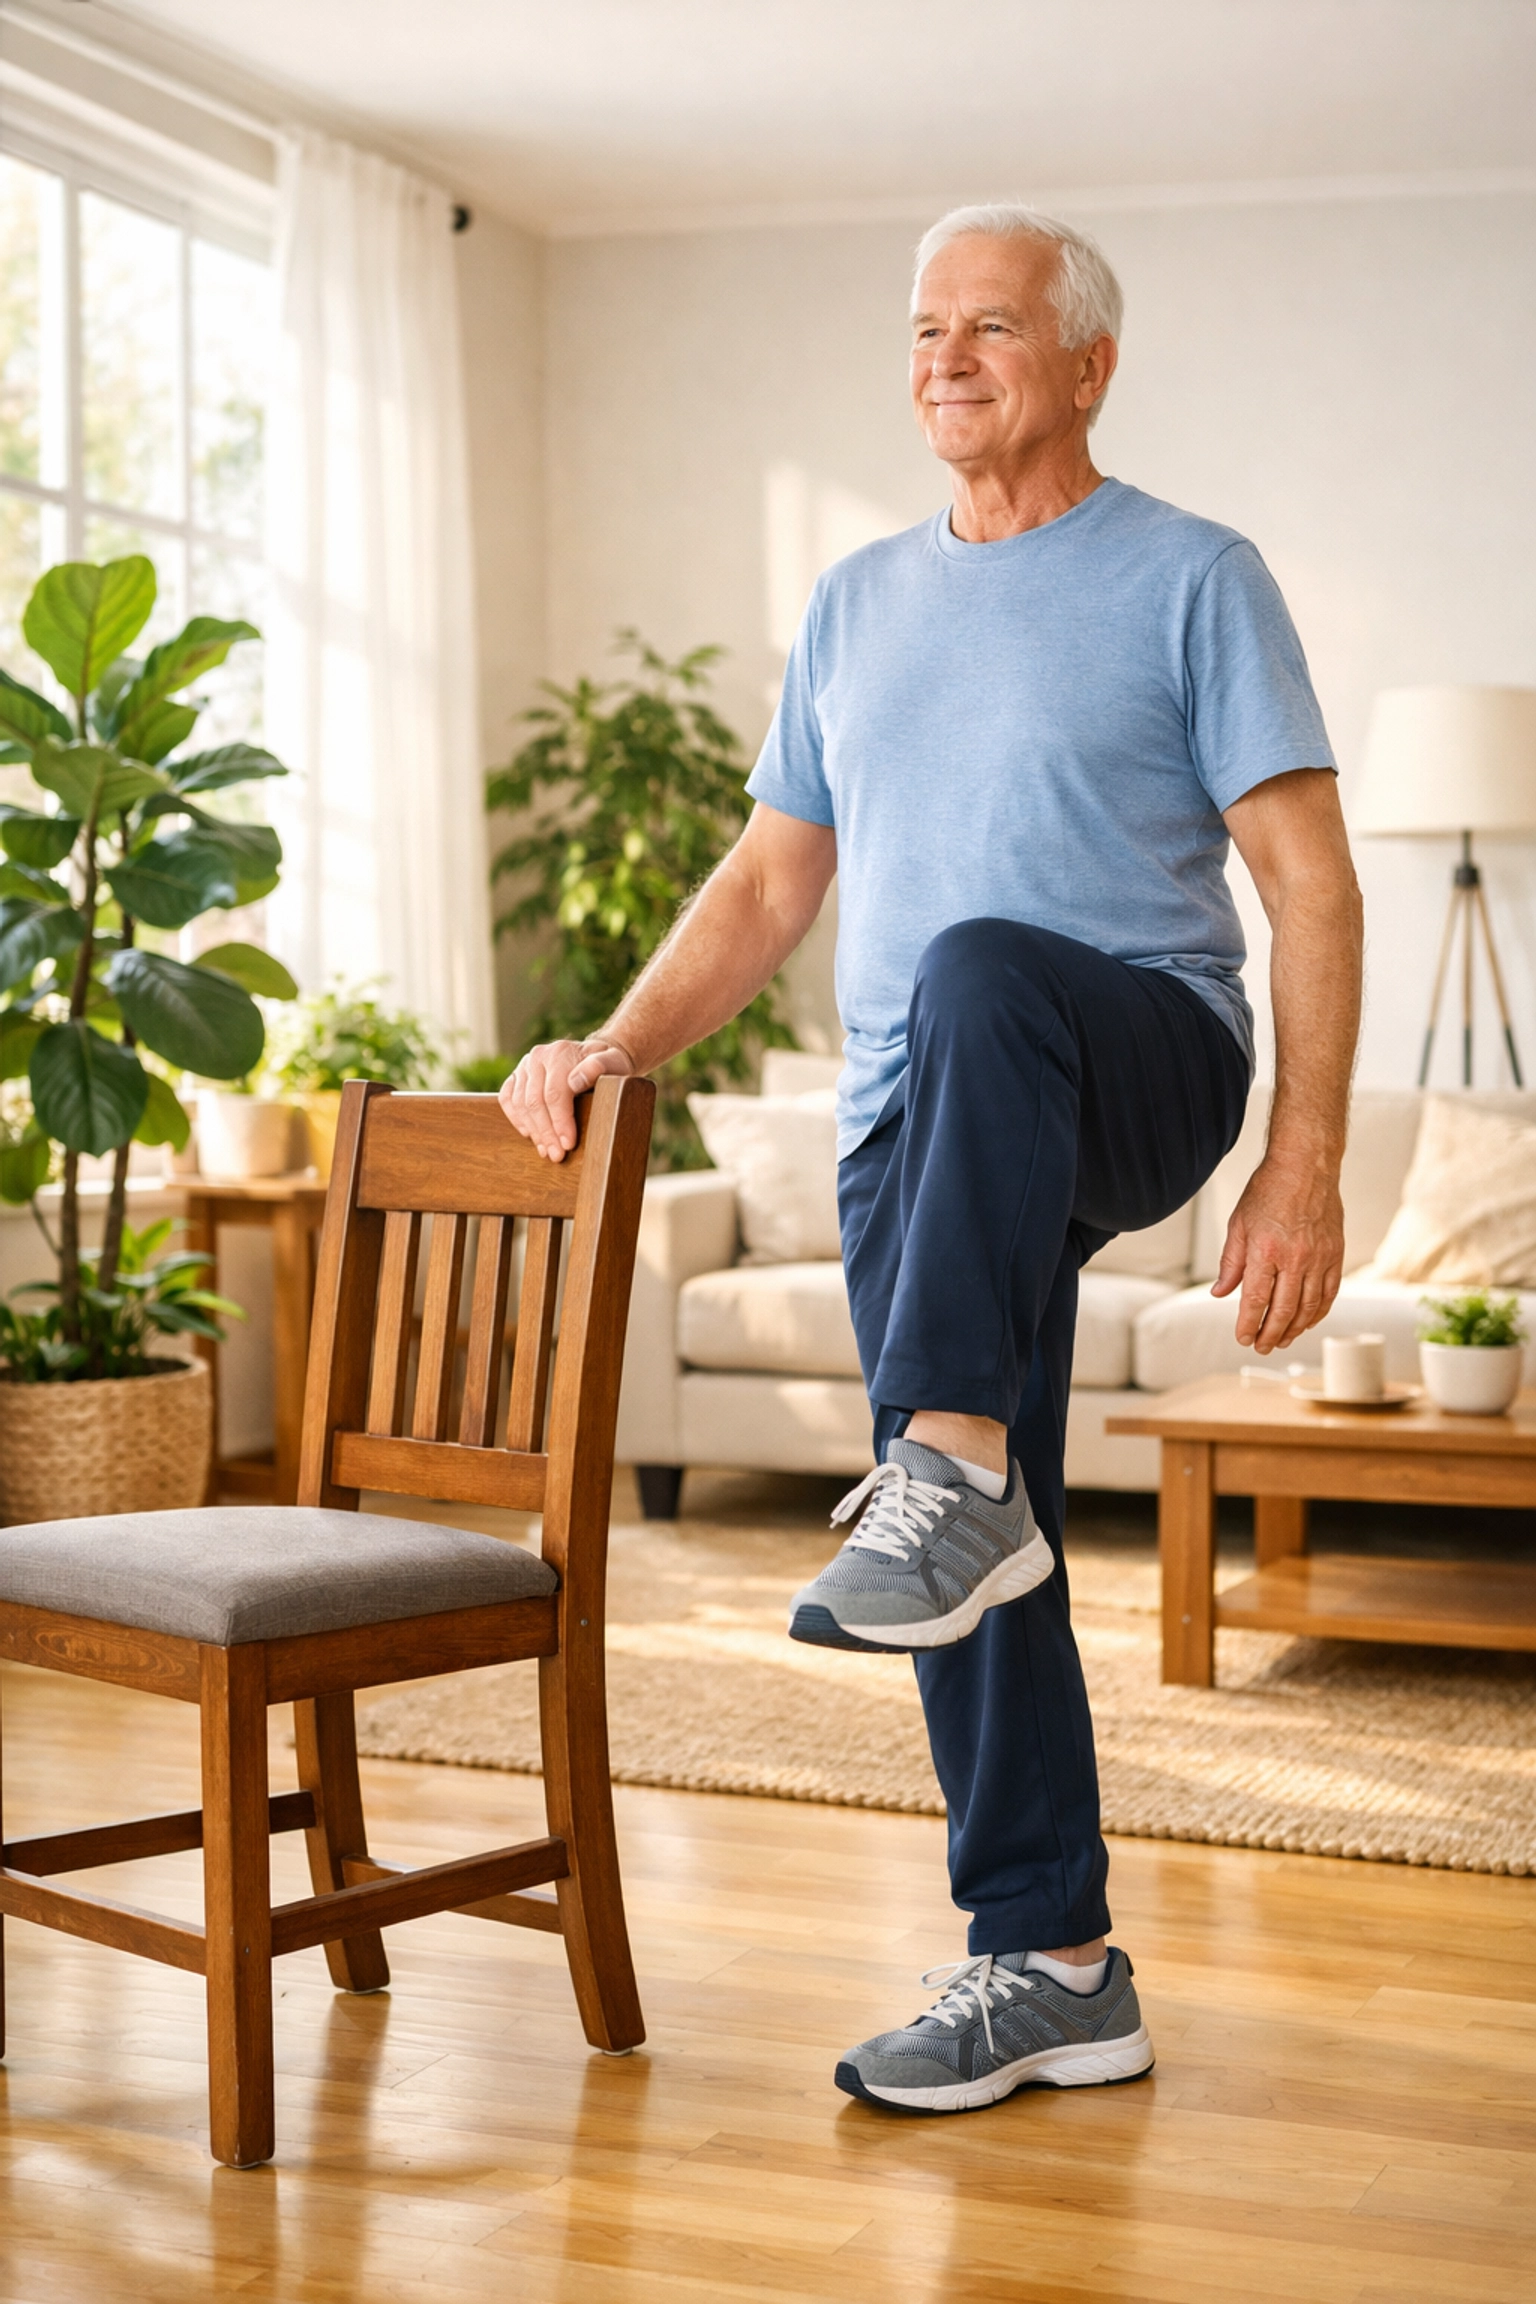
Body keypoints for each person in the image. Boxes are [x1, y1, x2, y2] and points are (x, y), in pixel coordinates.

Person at [500, 203, 1363, 2116]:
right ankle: (1052, 1964)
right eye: (922, 330)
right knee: (959, 1550)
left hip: (1141, 1051)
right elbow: (768, 884)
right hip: (921, 1119)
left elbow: (1309, 881)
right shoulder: (855, 603)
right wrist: (617, 1043)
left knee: (977, 976)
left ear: (1089, 365)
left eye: (992, 325)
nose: (947, 358)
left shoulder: (1193, 576)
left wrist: (1299, 1162)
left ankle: (950, 1468)